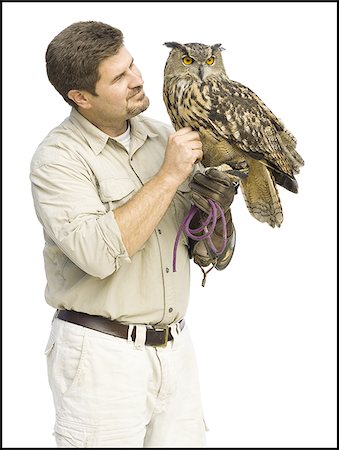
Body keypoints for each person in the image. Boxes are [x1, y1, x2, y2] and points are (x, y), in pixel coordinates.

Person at [30, 21, 238, 448]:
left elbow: (207, 253)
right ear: (81, 97)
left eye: (133, 65)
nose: (139, 79)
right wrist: (169, 176)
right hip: (101, 360)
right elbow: (98, 255)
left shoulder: (165, 137)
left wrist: (219, 216)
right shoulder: (57, 160)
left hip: (176, 351)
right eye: (119, 77)